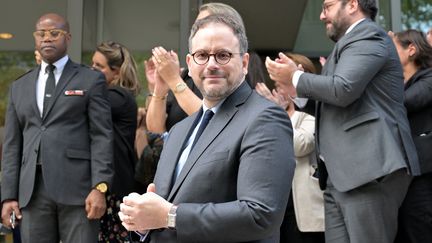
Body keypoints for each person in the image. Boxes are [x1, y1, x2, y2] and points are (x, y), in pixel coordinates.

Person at [119, 14, 295, 243]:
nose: (211, 64)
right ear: (190, 65)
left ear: (243, 63)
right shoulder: (179, 130)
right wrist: (142, 221)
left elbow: (260, 215)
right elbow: (164, 215)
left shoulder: (265, 118)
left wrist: (169, 216)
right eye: (202, 55)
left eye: (223, 55)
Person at [265, 0, 420, 242]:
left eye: (327, 6)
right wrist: (295, 88)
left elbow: (342, 89)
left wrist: (295, 76)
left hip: (369, 169)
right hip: (341, 175)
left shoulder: (369, 36)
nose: (321, 15)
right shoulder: (347, 45)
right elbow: (333, 102)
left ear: (352, 4)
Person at [1, 13, 113, 243]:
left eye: (54, 33)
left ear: (68, 37)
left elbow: (101, 136)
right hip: (32, 192)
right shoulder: (19, 87)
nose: (47, 39)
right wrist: (8, 196)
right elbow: (12, 145)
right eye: (41, 34)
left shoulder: (90, 80)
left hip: (79, 190)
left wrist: (99, 187)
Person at [145, 2, 245, 134]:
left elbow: (215, 122)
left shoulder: (233, 77)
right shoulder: (185, 76)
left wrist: (174, 80)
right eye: (196, 27)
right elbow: (155, 129)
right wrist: (160, 87)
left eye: (204, 25)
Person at [257, 53, 325, 243]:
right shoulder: (273, 112)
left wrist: (278, 113)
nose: (279, 91)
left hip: (302, 207)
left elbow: (301, 145)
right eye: (277, 85)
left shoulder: (310, 110)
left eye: (283, 84)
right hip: (275, 203)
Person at [91, 41, 140, 242]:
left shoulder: (117, 96)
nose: (91, 70)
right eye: (92, 64)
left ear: (116, 73)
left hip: (116, 190)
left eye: (98, 66)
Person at [390, 29, 432, 243]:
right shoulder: (399, 84)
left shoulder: (429, 78)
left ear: (411, 50)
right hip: (401, 174)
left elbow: (405, 103)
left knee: (419, 229)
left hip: (423, 175)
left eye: (392, 48)